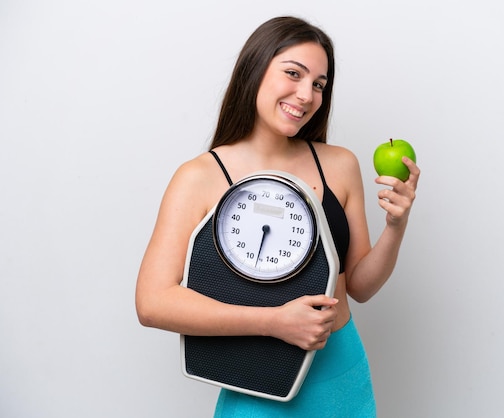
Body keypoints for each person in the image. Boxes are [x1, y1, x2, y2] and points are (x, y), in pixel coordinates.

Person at [135, 16, 420, 417]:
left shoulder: (339, 165)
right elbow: (152, 303)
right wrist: (273, 322)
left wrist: (396, 224)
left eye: (319, 84)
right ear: (255, 70)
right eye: (293, 74)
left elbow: (359, 286)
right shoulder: (199, 177)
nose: (306, 94)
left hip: (341, 374)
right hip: (257, 381)